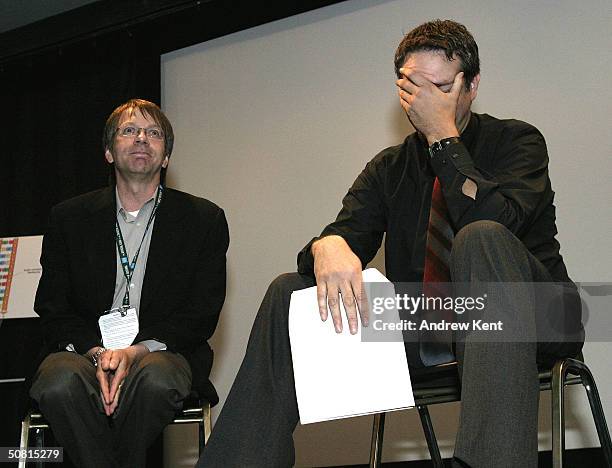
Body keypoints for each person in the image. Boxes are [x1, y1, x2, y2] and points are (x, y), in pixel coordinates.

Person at [197, 19, 583, 468]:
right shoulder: (390, 167)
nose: (425, 103)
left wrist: (443, 139)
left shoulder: (517, 140)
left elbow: (498, 221)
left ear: (472, 85)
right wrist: (328, 247)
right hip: (434, 324)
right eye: (415, 90)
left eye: (440, 89)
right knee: (290, 293)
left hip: (534, 313)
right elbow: (342, 236)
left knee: (481, 237)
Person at [29, 99, 229, 468]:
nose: (142, 138)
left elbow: (201, 314)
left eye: (153, 133)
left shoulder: (204, 220)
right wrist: (96, 352)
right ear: (108, 152)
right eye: (129, 130)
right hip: (82, 353)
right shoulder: (67, 218)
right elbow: (52, 308)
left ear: (166, 156)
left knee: (155, 381)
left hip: (160, 354)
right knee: (58, 384)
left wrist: (135, 352)